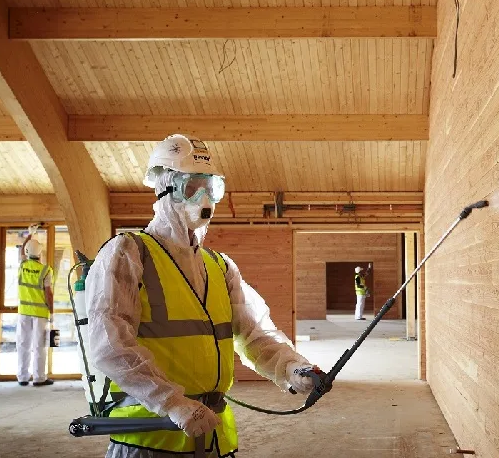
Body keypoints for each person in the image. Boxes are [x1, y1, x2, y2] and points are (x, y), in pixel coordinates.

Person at [86, 135, 319, 458]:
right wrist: (174, 404)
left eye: (212, 188)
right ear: (166, 187)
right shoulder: (127, 253)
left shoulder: (219, 266)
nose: (205, 197)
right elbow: (110, 346)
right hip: (150, 439)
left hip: (211, 437)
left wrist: (294, 369)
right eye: (193, 187)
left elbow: (255, 334)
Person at [17, 224, 54, 387]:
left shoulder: (22, 265)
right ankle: (39, 378)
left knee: (23, 344)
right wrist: (52, 312)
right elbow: (48, 294)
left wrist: (29, 234)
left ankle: (22, 377)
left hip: (24, 312)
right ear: (40, 253)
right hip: (40, 313)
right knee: (39, 346)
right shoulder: (46, 270)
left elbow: (21, 251)